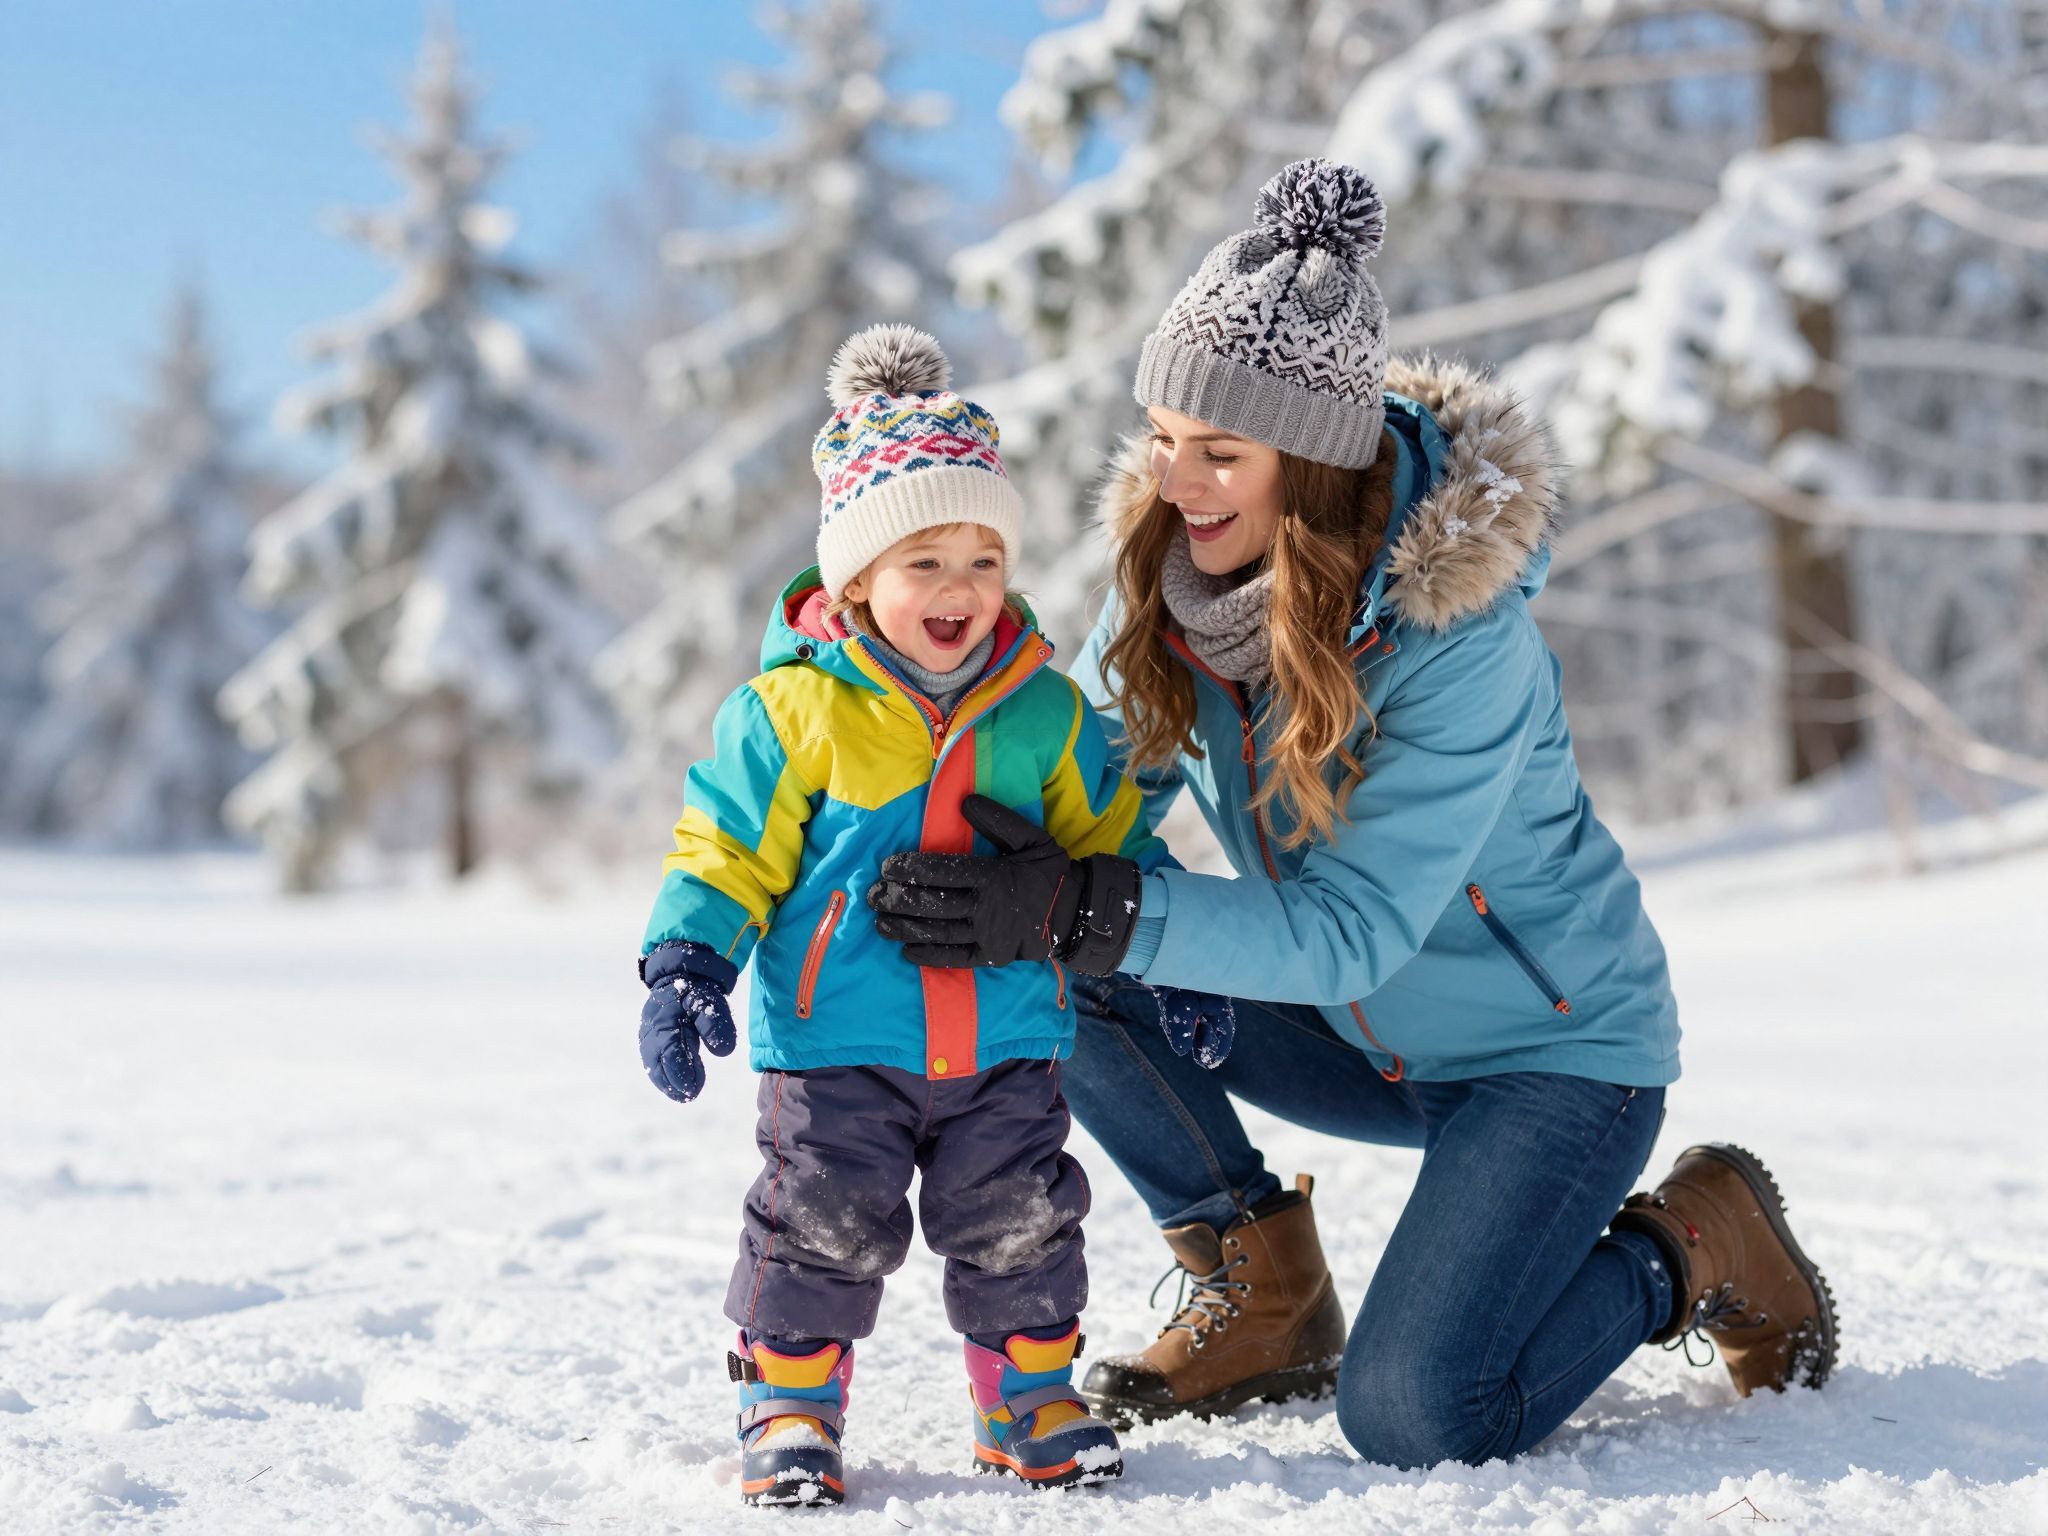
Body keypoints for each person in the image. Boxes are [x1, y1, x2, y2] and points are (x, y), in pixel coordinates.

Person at [867, 162, 1837, 1469]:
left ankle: (1696, 1236)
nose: (1176, 479)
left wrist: (1107, 906)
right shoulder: (1171, 579)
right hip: (1351, 1036)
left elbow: (1352, 932)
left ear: (1314, 467)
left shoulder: (1461, 638)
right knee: (1059, 952)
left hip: (1551, 1062)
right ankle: (1258, 1286)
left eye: (1221, 452)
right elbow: (1082, 795)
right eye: (1162, 435)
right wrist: (907, 820)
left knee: (1419, 1413)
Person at [633, 324, 1231, 1505]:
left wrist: (1175, 959)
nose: (957, 591)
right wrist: (687, 957)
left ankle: (1028, 1400)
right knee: (819, 1222)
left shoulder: (1047, 713)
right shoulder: (790, 712)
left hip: (1006, 1038)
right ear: (853, 579)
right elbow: (724, 845)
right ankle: (790, 1401)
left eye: (981, 561)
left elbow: (1114, 843)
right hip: (839, 1040)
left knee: (1020, 1221)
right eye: (923, 563)